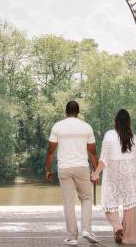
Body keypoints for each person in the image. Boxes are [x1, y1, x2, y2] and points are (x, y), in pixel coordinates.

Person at [45, 100, 100, 246]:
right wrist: (96, 171)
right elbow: (93, 151)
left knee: (68, 202)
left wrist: (48, 169)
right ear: (78, 112)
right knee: (87, 198)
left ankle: (73, 237)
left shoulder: (58, 126)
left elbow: (51, 150)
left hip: (64, 169)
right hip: (82, 167)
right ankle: (87, 229)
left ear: (66, 111)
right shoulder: (86, 127)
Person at [91, 109, 136, 245]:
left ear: (116, 121)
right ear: (129, 122)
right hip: (129, 172)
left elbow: (104, 159)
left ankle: (117, 226)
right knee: (129, 206)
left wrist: (96, 173)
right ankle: (129, 237)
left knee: (109, 203)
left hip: (113, 172)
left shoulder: (109, 135)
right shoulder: (134, 137)